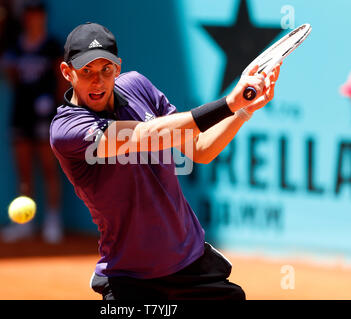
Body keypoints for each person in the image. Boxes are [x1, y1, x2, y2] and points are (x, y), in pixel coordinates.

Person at [50, 22, 281, 300]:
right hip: (131, 279)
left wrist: (242, 111)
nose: (97, 81)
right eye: (86, 71)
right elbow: (144, 135)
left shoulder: (138, 86)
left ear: (118, 68)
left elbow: (201, 148)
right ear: (67, 72)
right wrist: (228, 104)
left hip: (191, 264)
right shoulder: (67, 129)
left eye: (106, 69)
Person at [0, 1, 65, 244]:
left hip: (46, 116)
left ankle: (53, 221)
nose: (33, 19)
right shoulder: (16, 46)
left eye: (37, 14)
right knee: (24, 171)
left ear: (43, 17)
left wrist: (55, 107)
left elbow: (62, 80)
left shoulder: (52, 45)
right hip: (20, 113)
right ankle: (24, 224)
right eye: (29, 15)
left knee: (49, 168)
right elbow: (11, 77)